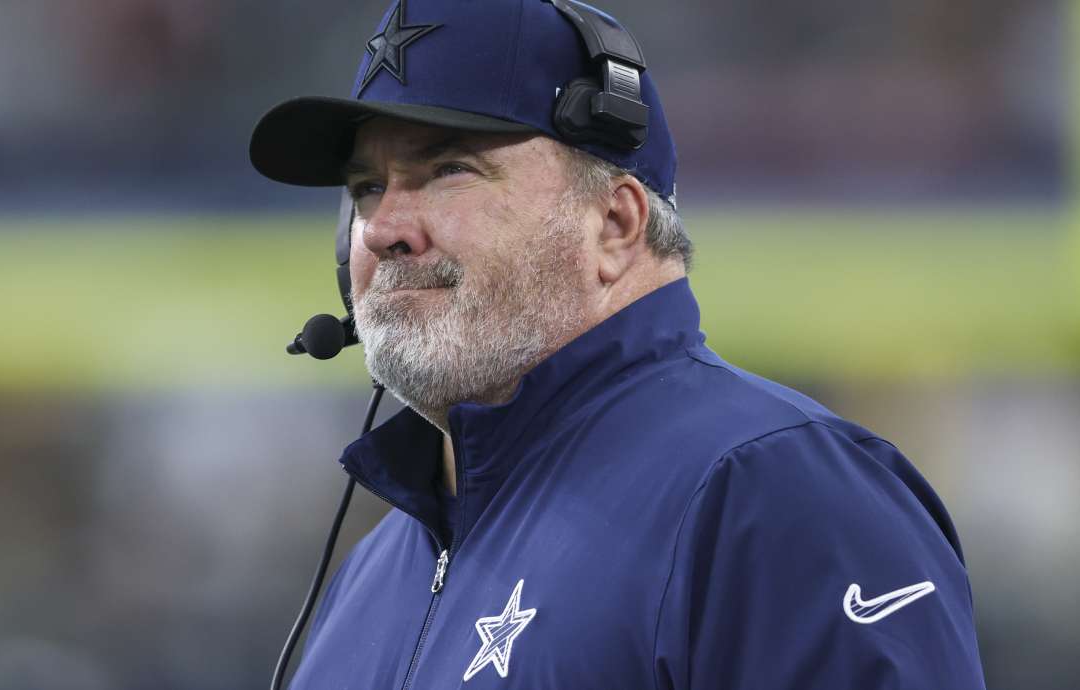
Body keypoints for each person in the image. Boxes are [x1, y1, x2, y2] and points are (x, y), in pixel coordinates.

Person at [249, 0, 987, 687]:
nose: (382, 228)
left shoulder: (775, 494)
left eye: (449, 170)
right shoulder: (371, 574)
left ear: (616, 225)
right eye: (367, 188)